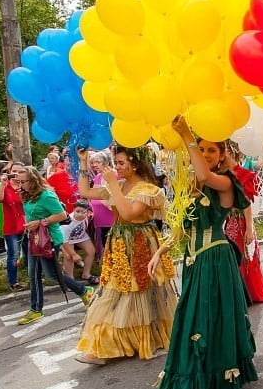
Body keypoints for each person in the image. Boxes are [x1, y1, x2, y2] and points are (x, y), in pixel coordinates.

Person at [147, 119, 257, 389]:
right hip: (195, 265)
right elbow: (181, 232)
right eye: (202, 148)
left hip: (216, 260)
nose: (206, 153)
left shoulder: (224, 182)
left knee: (198, 321)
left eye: (212, 149)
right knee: (194, 323)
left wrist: (186, 136)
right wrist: (159, 251)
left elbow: (203, 173)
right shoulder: (190, 189)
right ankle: (205, 384)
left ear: (222, 155)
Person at [74, 146, 178, 365]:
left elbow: (129, 214)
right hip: (119, 243)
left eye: (121, 163)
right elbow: (86, 192)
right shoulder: (119, 184)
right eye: (116, 163)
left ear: (135, 163)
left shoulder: (149, 189)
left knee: (141, 292)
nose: (117, 167)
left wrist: (112, 184)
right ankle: (103, 347)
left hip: (141, 242)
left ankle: (138, 340)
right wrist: (83, 163)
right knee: (112, 290)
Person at [13, 166, 94, 326]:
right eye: (19, 182)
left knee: (52, 274)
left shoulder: (46, 195)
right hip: (34, 239)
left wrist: (41, 222)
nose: (21, 185)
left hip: (48, 239)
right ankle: (36, 309)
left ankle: (84, 291)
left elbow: (62, 215)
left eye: (24, 182)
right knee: (33, 275)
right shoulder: (28, 194)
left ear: (34, 180)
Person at [224, 148, 263, 305]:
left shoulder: (242, 175)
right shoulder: (220, 174)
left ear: (232, 152)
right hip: (228, 223)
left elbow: (247, 205)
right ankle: (238, 293)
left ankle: (250, 292)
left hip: (242, 223)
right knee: (233, 257)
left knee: (247, 256)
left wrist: (249, 229)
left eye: (225, 151)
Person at [0, 165, 27, 291]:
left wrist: (23, 189)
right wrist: (2, 184)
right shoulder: (5, 186)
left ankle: (33, 276)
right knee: (13, 254)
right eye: (14, 171)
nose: (16, 174)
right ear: (9, 172)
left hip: (25, 224)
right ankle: (14, 282)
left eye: (19, 172)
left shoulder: (25, 186)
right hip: (11, 226)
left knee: (29, 251)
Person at [59, 201, 96, 283]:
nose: (80, 214)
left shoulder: (89, 216)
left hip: (80, 236)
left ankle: (86, 274)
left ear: (88, 212)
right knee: (69, 256)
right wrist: (73, 254)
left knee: (91, 251)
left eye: (83, 212)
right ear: (73, 210)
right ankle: (70, 280)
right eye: (77, 211)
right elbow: (63, 241)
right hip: (66, 240)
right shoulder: (67, 222)